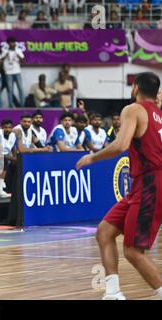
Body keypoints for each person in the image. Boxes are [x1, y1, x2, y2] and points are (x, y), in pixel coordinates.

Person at [76, 72, 162, 301]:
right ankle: (113, 293)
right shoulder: (159, 115)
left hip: (150, 183)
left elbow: (121, 144)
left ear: (135, 88)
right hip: (146, 183)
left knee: (133, 251)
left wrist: (92, 158)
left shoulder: (133, 109)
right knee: (104, 232)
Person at [0, 119, 17, 198]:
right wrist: (11, 158)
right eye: (5, 127)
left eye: (9, 127)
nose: (8, 129)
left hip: (6, 157)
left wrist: (15, 158)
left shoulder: (13, 135)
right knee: (3, 160)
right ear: (1, 127)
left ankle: (13, 189)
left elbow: (14, 148)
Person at [1, 37, 25, 108]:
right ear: (8, 43)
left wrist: (18, 55)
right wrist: (6, 55)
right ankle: (11, 105)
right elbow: (0, 61)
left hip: (17, 71)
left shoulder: (18, 50)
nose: (13, 44)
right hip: (8, 73)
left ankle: (22, 105)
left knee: (20, 88)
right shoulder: (4, 51)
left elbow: (23, 61)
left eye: (14, 42)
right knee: (10, 90)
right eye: (11, 42)